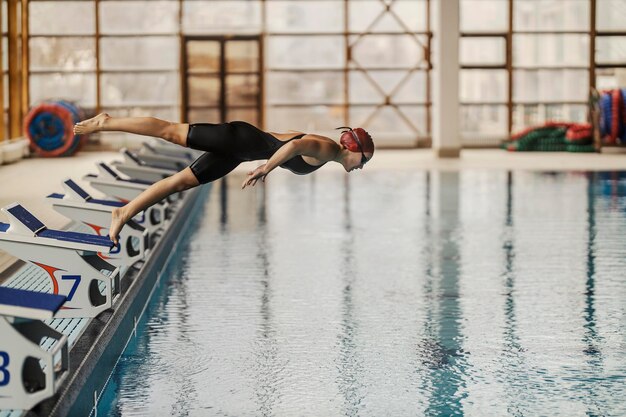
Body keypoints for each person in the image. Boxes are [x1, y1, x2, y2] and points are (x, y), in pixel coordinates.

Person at [73, 114, 375, 245]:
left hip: (239, 152)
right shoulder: (327, 148)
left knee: (180, 182)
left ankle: (123, 212)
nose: (362, 167)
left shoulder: (330, 155)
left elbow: (287, 143)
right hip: (237, 138)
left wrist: (262, 163)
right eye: (364, 160)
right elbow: (294, 145)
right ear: (354, 149)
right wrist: (266, 168)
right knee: (170, 132)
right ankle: (107, 123)